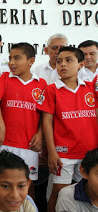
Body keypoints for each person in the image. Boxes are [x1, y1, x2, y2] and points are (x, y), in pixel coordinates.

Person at [38, 46, 98, 212]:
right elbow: (47, 122)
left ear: (81, 64)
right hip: (63, 153)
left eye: (68, 60)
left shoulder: (90, 88)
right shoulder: (51, 90)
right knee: (57, 193)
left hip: (89, 152)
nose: (62, 65)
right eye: (59, 62)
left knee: (88, 192)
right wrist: (51, 151)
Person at [0, 43, 47, 199]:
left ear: (31, 61)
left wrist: (40, 134)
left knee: (28, 187)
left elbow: (44, 114)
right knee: (2, 184)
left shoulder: (41, 84)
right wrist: (0, 127)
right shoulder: (4, 78)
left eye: (17, 58)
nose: (12, 62)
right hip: (6, 143)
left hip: (29, 145)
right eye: (10, 58)